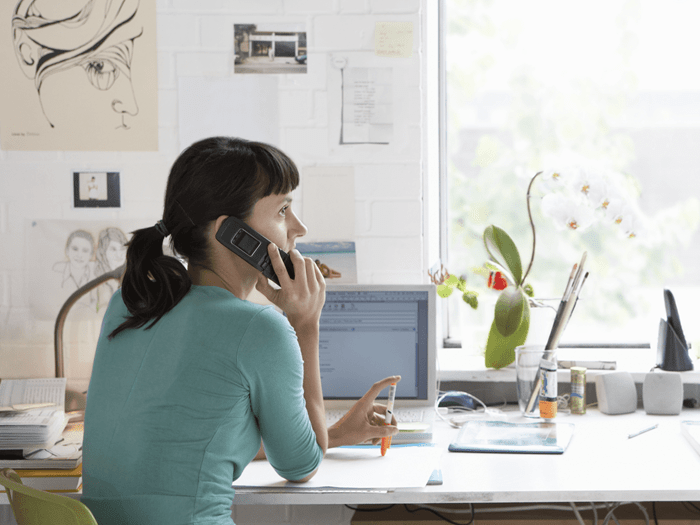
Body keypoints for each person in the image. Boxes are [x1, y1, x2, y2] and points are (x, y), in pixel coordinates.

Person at [82, 137, 400, 525]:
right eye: (283, 210)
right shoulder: (260, 328)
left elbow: (182, 444)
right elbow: (301, 465)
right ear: (232, 233)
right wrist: (305, 326)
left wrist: (332, 434)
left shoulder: (131, 304)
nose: (299, 227)